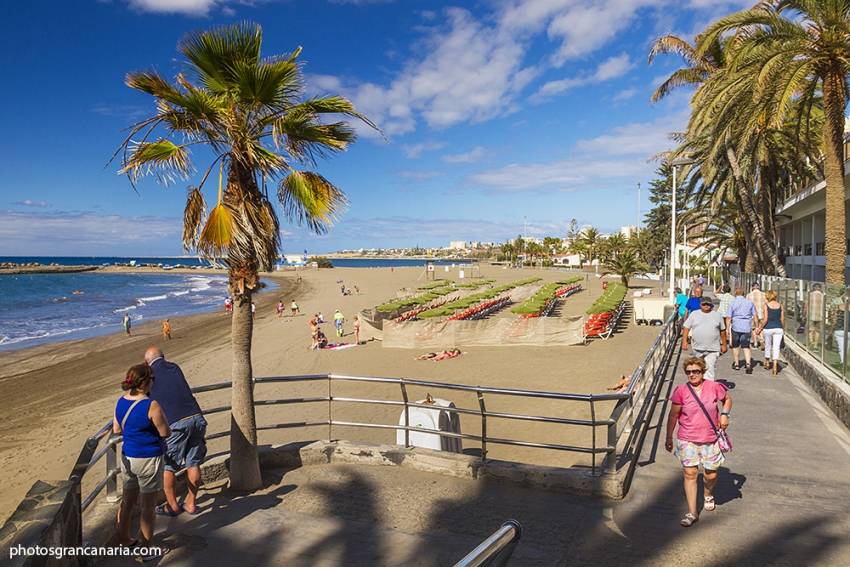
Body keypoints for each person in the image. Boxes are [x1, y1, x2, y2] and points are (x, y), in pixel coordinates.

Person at [665, 356, 732, 527]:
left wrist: (724, 414)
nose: (692, 375)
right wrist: (668, 437)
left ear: (703, 372)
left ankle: (708, 493)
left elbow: (727, 400)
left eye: (696, 371)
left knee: (711, 474)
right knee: (690, 474)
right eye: (689, 372)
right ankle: (692, 512)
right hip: (687, 438)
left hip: (710, 438)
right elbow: (673, 415)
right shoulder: (681, 391)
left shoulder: (714, 387)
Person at [113, 364, 169, 559]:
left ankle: (123, 538)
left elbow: (116, 429)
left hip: (128, 456)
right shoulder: (150, 405)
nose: (154, 382)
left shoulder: (120, 402)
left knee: (127, 501)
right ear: (145, 382)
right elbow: (164, 432)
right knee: (147, 505)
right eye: (152, 379)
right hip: (148, 458)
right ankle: (146, 548)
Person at [146, 348, 207, 517]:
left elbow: (149, 398)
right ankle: (191, 503)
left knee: (169, 466)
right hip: (196, 416)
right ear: (163, 358)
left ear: (147, 362)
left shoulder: (150, 375)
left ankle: (172, 506)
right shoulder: (174, 367)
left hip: (175, 422)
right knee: (193, 462)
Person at [681, 296, 727, 380]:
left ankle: (708, 388)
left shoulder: (717, 315)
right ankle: (699, 385)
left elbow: (723, 331)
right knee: (698, 369)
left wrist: (724, 345)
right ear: (700, 305)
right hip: (697, 348)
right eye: (704, 304)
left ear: (712, 306)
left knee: (710, 369)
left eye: (708, 304)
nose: (706, 305)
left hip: (713, 349)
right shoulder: (694, 314)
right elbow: (686, 327)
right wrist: (684, 341)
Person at [727, 287, 757, 373]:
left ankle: (736, 364)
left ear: (735, 294)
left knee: (735, 346)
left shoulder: (732, 303)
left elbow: (729, 317)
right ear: (744, 294)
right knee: (746, 346)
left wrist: (727, 329)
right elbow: (754, 316)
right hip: (746, 327)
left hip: (736, 327)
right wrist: (757, 325)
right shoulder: (750, 303)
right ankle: (748, 364)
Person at [757, 290, 785, 375]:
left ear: (768, 296)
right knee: (776, 347)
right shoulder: (780, 305)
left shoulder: (766, 305)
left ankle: (767, 362)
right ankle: (775, 364)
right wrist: (782, 328)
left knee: (768, 345)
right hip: (778, 328)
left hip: (768, 328)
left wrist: (760, 328)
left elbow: (765, 319)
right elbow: (782, 319)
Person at [747, 283, 767, 349]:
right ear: (758, 287)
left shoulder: (749, 295)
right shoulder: (764, 294)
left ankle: (755, 343)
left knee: (753, 328)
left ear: (752, 287)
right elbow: (766, 304)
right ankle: (762, 340)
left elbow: (747, 305)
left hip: (753, 314)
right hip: (762, 314)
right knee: (761, 328)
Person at [806, 283, 824, 350]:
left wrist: (804, 314)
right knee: (817, 331)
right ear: (820, 288)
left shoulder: (810, 295)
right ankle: (815, 345)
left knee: (810, 330)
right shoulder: (823, 296)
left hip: (811, 315)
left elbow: (806, 305)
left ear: (813, 287)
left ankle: (811, 341)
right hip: (820, 316)